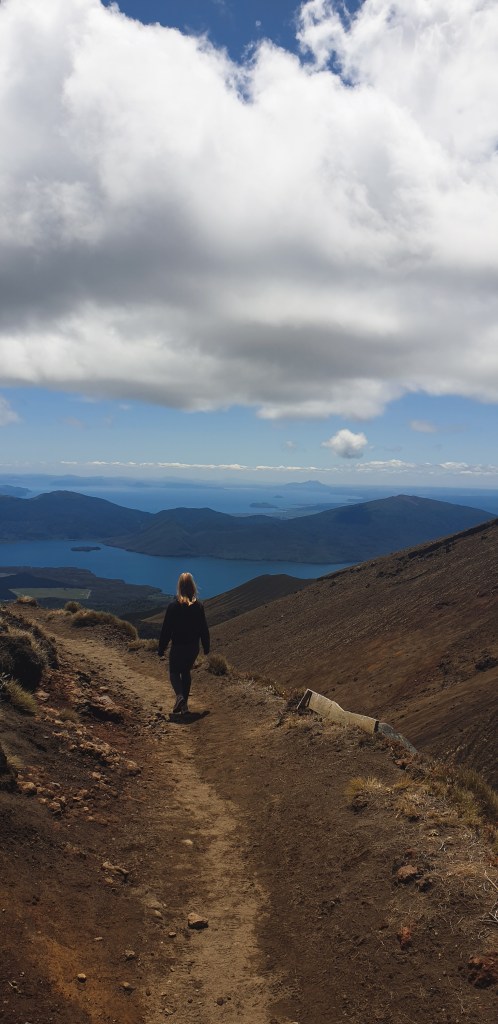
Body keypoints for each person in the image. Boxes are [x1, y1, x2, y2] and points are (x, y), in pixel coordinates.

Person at [158, 572, 210, 714]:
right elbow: (204, 628)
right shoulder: (198, 606)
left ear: (179, 587)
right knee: (186, 671)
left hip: (178, 646)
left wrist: (161, 648)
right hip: (193, 648)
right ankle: (184, 707)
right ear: (193, 587)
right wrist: (206, 646)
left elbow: (166, 630)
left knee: (174, 672)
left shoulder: (174, 606)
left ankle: (180, 696)